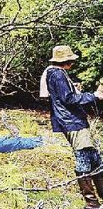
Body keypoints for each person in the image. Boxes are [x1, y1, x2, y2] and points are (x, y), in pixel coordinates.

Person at [40, 45, 103, 208]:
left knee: (95, 158)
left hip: (72, 121)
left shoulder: (55, 73)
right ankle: (92, 204)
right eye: (71, 60)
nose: (72, 63)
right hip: (72, 122)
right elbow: (69, 99)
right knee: (84, 159)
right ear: (66, 61)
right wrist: (94, 95)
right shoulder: (58, 75)